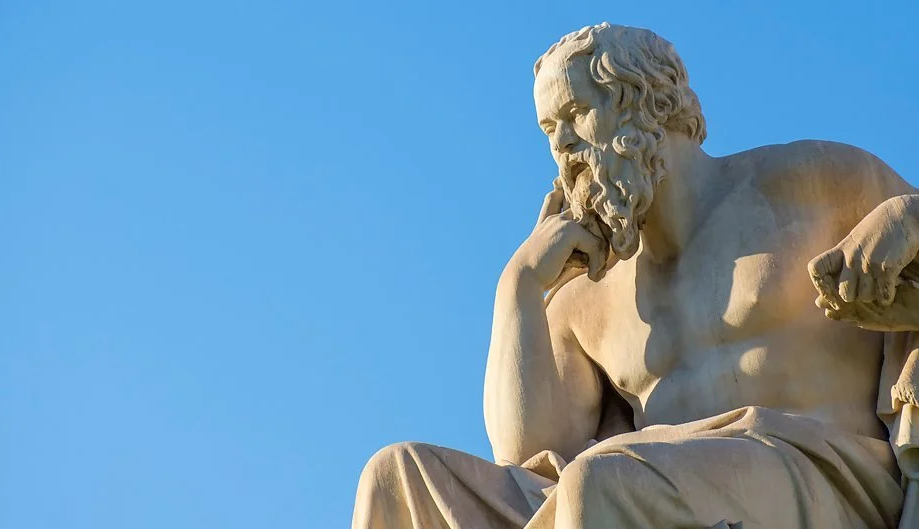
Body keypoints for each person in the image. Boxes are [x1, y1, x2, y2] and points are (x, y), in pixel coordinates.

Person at [352, 22, 918, 528]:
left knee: (600, 480)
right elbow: (525, 456)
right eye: (549, 129)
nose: (561, 144)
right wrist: (520, 285)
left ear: (649, 104)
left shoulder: (809, 181)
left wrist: (907, 218)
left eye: (576, 113)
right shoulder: (585, 289)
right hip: (635, 485)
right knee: (396, 477)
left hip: (818, 472)